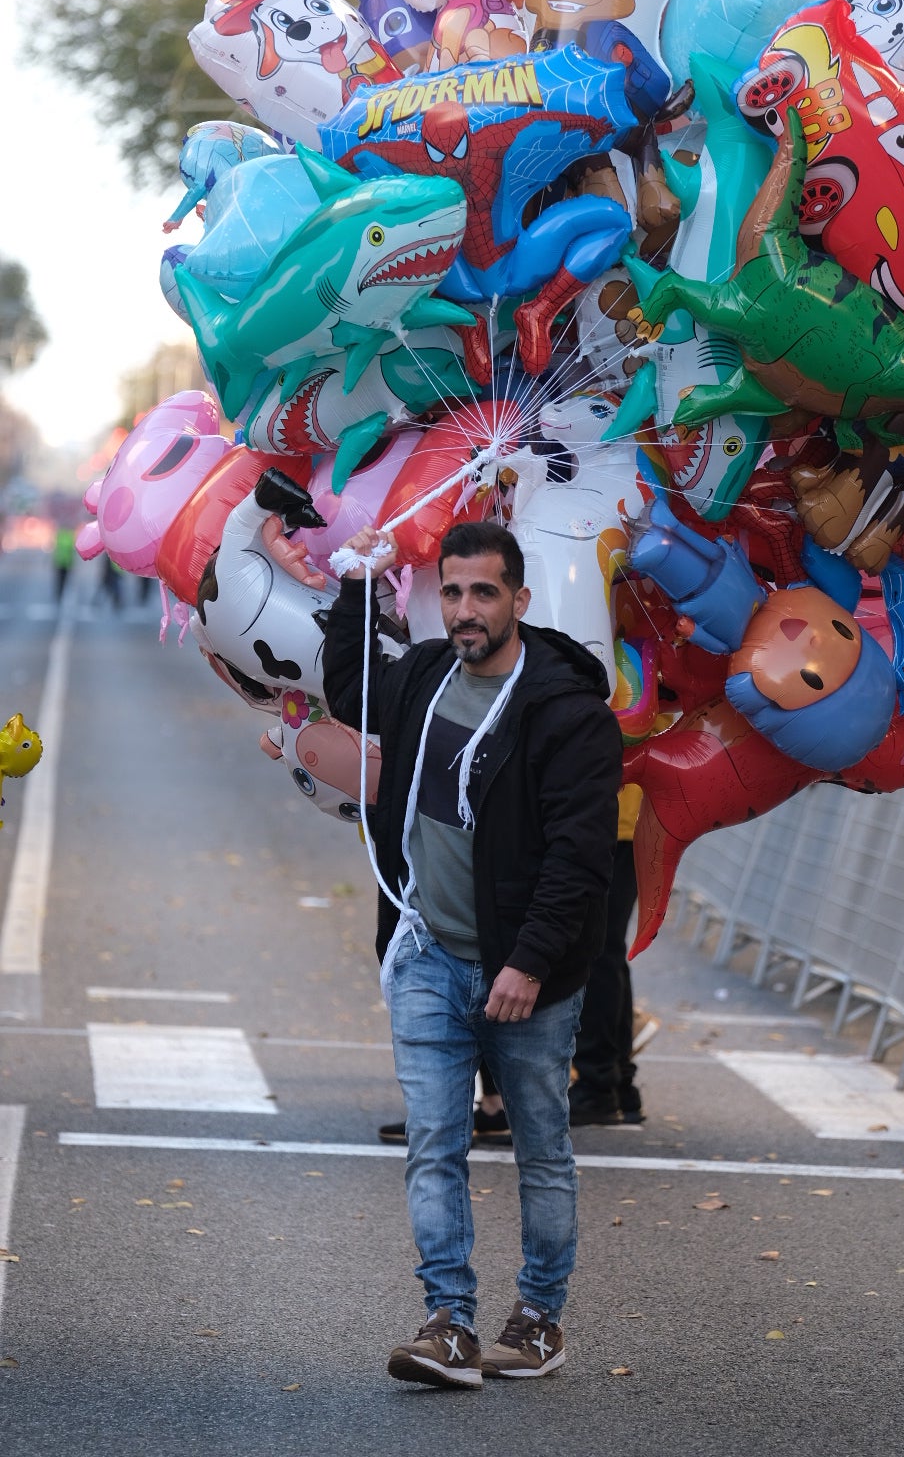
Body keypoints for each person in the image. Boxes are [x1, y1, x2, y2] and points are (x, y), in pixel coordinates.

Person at [323, 519, 622, 1390]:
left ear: (519, 601)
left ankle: (537, 1319)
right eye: (451, 591)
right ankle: (448, 1323)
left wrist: (526, 966)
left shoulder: (568, 713)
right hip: (427, 951)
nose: (464, 609)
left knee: (541, 1147)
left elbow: (578, 860)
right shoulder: (423, 676)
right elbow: (352, 687)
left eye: (483, 592)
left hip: (528, 972)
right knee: (434, 1142)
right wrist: (356, 584)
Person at [568, 785, 653, 1127]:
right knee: (605, 950)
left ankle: (599, 1083)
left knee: (594, 950)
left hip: (610, 815)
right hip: (622, 816)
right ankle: (616, 1082)